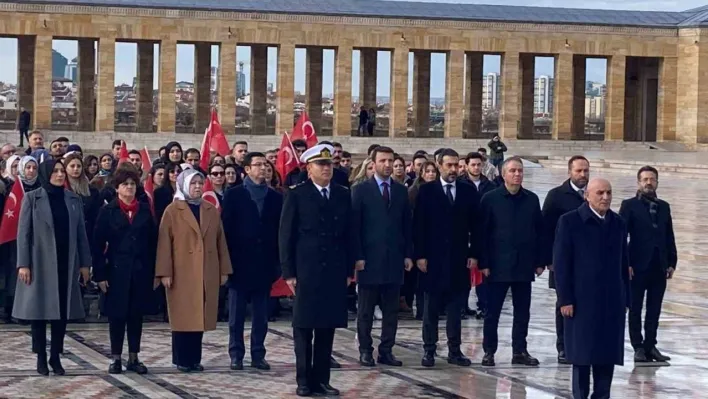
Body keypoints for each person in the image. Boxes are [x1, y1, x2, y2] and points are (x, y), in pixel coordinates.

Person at [279, 144, 354, 397]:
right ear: (309, 168)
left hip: (334, 269)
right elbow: (286, 235)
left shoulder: (343, 194)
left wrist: (350, 268)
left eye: (329, 164)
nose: (326, 169)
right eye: (321, 165)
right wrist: (288, 272)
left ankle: (322, 379)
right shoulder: (297, 194)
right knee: (303, 327)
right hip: (306, 270)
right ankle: (303, 380)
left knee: (326, 327)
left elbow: (349, 234)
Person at [13, 159, 91, 376]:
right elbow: (23, 233)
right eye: (55, 171)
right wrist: (23, 263)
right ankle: (40, 357)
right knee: (38, 311)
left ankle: (55, 355)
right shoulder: (32, 198)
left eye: (61, 171)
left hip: (66, 262)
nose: (59, 175)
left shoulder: (73, 199)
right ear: (46, 173)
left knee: (61, 312)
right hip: (40, 262)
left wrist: (85, 263)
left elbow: (81, 235)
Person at [554, 178, 631, 399]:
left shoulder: (618, 223)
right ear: (587, 195)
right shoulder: (569, 222)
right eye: (600, 193)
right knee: (582, 357)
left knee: (606, 357)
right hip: (581, 302)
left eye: (608, 193)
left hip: (611, 302)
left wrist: (626, 299)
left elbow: (624, 264)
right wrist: (565, 299)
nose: (605, 197)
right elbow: (561, 263)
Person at [155, 169, 232, 372]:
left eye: (200, 183)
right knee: (183, 317)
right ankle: (182, 359)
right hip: (181, 271)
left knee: (199, 316)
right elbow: (164, 244)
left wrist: (224, 269)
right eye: (193, 183)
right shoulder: (173, 210)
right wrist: (164, 272)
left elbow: (220, 241)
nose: (197, 187)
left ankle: (195, 359)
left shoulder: (210, 209)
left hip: (205, 269)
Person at [413, 148, 479, 368]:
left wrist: (474, 254)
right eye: (449, 165)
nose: (453, 170)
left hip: (458, 259)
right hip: (433, 259)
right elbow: (419, 225)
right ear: (439, 165)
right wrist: (420, 255)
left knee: (455, 308)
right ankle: (429, 350)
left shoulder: (467, 191)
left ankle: (454, 349)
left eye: (456, 165)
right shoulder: (427, 191)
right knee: (431, 309)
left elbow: (475, 227)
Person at [479, 157, 546, 367]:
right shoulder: (490, 199)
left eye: (520, 171)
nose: (517, 174)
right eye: (513, 171)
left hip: (524, 265)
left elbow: (539, 232)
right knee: (492, 312)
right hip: (498, 265)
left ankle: (520, 350)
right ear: (503, 174)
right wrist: (484, 262)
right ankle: (489, 350)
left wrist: (540, 261)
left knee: (522, 312)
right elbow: (482, 234)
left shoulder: (532, 199)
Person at [92, 165, 157, 375]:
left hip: (140, 271)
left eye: (132, 184)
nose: (129, 187)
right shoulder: (108, 210)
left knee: (136, 315)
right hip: (116, 271)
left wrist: (155, 271)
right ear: (117, 188)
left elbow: (154, 243)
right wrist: (100, 275)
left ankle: (134, 357)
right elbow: (98, 244)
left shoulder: (145, 210)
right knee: (117, 315)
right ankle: (116, 357)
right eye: (125, 184)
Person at [352, 146, 412, 368]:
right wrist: (357, 255)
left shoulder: (400, 191)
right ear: (374, 163)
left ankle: (386, 350)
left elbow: (407, 224)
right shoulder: (361, 190)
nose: (387, 165)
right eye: (383, 161)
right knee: (366, 310)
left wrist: (408, 254)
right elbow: (355, 227)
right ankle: (365, 349)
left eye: (391, 161)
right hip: (369, 259)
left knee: (391, 310)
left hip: (394, 259)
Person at [222, 152, 283, 371]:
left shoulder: (275, 197)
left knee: (261, 314)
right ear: (247, 169)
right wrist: (226, 263)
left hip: (264, 264)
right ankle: (236, 354)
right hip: (239, 263)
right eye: (258, 165)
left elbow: (279, 231)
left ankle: (258, 353)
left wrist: (278, 263)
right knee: (236, 314)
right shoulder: (234, 195)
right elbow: (225, 230)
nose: (263, 169)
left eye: (266, 165)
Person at [620, 166, 677, 363]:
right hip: (636, 266)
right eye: (645, 179)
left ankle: (650, 345)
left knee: (654, 308)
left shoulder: (664, 207)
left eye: (652, 179)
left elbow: (669, 235)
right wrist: (625, 263)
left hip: (658, 266)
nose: (648, 183)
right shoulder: (629, 206)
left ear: (657, 182)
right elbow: (621, 236)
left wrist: (672, 262)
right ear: (639, 182)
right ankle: (638, 347)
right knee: (635, 307)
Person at [541, 155, 590, 364]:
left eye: (586, 171)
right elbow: (545, 229)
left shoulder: (593, 193)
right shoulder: (556, 196)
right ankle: (563, 346)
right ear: (569, 171)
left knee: (586, 303)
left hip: (587, 262)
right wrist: (547, 259)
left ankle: (582, 344)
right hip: (563, 261)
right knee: (564, 303)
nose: (583, 175)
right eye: (579, 171)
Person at [458, 152, 497, 319]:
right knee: (463, 271)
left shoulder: (490, 186)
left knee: (483, 270)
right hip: (463, 232)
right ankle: (461, 305)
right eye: (472, 164)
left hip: (484, 233)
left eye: (478, 164)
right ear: (466, 166)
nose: (476, 167)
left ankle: (484, 305)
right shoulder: (460, 184)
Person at [64, 153, 102, 248]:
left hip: (87, 235)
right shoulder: (60, 189)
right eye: (72, 166)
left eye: (79, 166)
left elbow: (96, 215)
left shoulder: (92, 191)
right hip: (67, 235)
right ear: (66, 168)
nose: (76, 169)